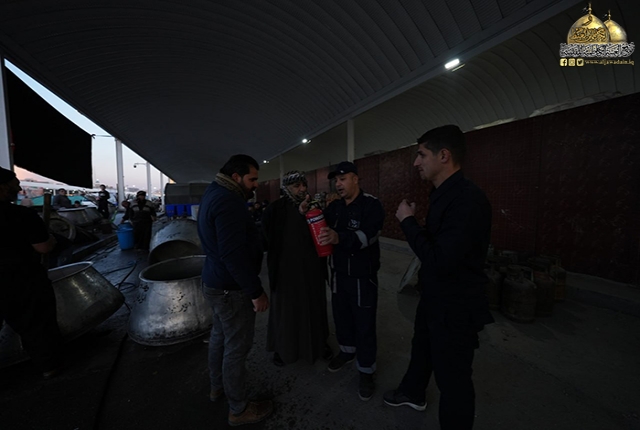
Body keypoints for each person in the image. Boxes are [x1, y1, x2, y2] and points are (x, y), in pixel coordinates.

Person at [383, 125, 494, 430]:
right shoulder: (444, 194)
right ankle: (413, 392)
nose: (416, 162)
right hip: (435, 296)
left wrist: (408, 222)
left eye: (421, 155)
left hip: (455, 306)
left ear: (444, 155)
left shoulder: (467, 200)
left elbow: (440, 259)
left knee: (453, 380)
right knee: (422, 347)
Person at [197, 154, 273, 427]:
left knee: (220, 336)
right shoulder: (228, 201)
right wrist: (255, 292)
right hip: (231, 288)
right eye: (252, 179)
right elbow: (233, 254)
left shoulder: (214, 192)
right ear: (236, 177)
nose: (255, 185)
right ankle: (239, 409)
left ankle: (218, 387)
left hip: (215, 281)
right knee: (237, 348)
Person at [302, 161, 385, 402]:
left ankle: (366, 370)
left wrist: (340, 237)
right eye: (336, 181)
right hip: (338, 274)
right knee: (342, 317)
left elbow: (370, 235)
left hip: (362, 277)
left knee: (364, 324)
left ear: (355, 179)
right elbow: (320, 224)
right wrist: (308, 212)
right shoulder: (336, 207)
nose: (338, 184)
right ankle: (347, 352)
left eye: (343, 179)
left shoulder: (371, 204)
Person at [261, 170, 331, 367]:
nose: (302, 189)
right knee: (287, 312)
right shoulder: (275, 210)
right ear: (286, 188)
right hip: (285, 272)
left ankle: (317, 345)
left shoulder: (314, 206)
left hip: (312, 269)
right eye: (296, 186)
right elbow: (266, 239)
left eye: (303, 185)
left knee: (313, 307)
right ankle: (283, 348)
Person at [0, 166, 63, 378]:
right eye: (15, 184)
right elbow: (43, 247)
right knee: (36, 324)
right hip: (20, 280)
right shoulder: (20, 215)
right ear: (2, 188)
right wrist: (51, 239)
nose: (19, 188)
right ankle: (49, 368)